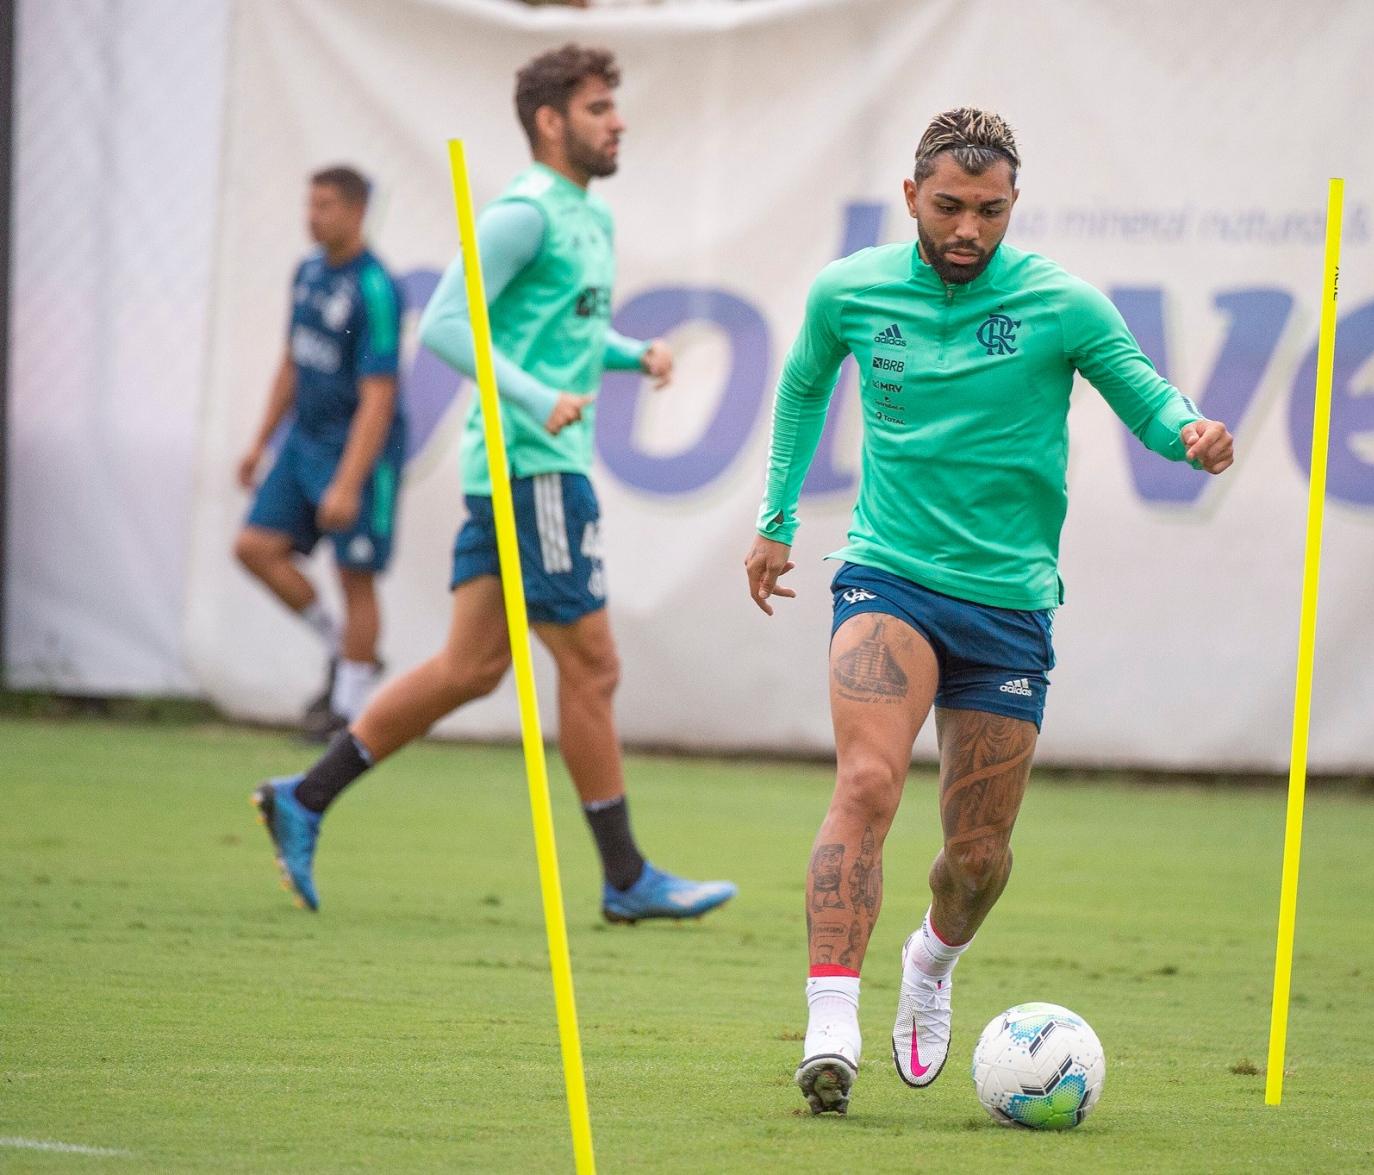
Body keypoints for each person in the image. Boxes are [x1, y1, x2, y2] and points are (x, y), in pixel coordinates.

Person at [744, 108, 1234, 1115]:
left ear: (1015, 205)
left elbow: (1143, 393)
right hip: (887, 576)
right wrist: (777, 520)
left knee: (976, 858)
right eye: (951, 206)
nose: (969, 228)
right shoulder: (851, 289)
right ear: (913, 193)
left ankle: (929, 962)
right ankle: (829, 1017)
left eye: (991, 210)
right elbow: (799, 388)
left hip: (1008, 606)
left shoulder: (1063, 303)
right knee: (869, 778)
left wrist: (1190, 431)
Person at [252, 44, 736, 925]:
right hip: (533, 471)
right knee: (593, 666)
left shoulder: (591, 216)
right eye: (597, 109)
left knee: (470, 667)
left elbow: (560, 330)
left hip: (525, 468)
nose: (617, 121)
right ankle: (627, 876)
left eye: (614, 108)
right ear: (551, 123)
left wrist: (631, 354)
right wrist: (536, 395)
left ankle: (305, 796)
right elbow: (444, 324)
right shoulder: (526, 212)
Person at [235, 166, 403, 739]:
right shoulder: (306, 273)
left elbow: (380, 395)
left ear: (357, 211)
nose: (314, 216)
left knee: (355, 573)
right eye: (311, 204)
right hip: (303, 443)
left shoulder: (376, 287)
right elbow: (292, 359)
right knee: (255, 547)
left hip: (355, 451)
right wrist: (260, 441)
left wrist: (350, 481)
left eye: (327, 205)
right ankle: (345, 651)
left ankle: (350, 716)